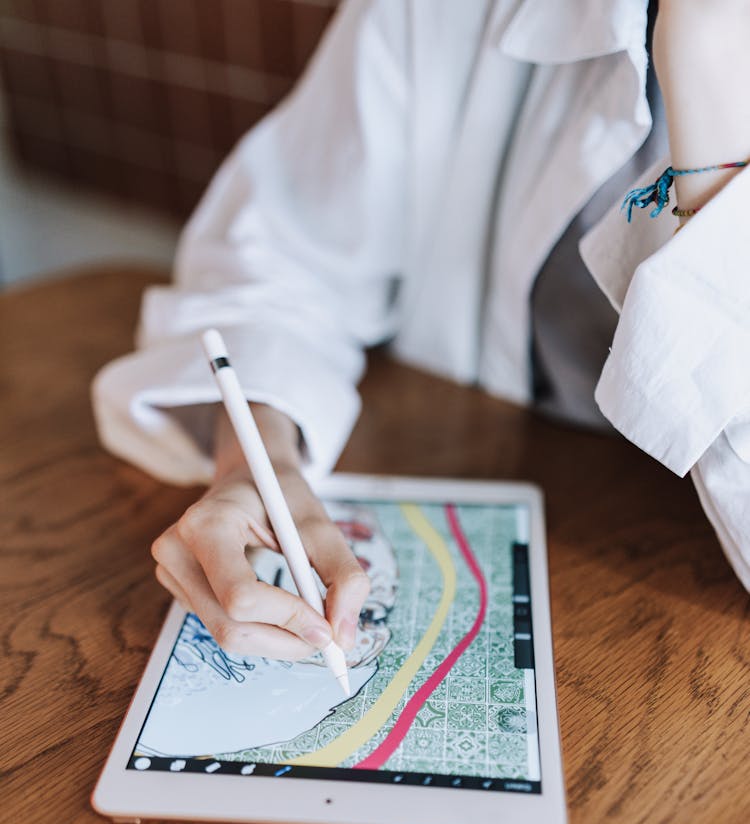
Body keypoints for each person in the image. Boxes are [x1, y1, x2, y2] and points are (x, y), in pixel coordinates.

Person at [93, 0, 750, 662]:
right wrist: (254, 463)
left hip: (688, 627)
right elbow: (281, 266)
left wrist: (711, 63)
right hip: (492, 489)